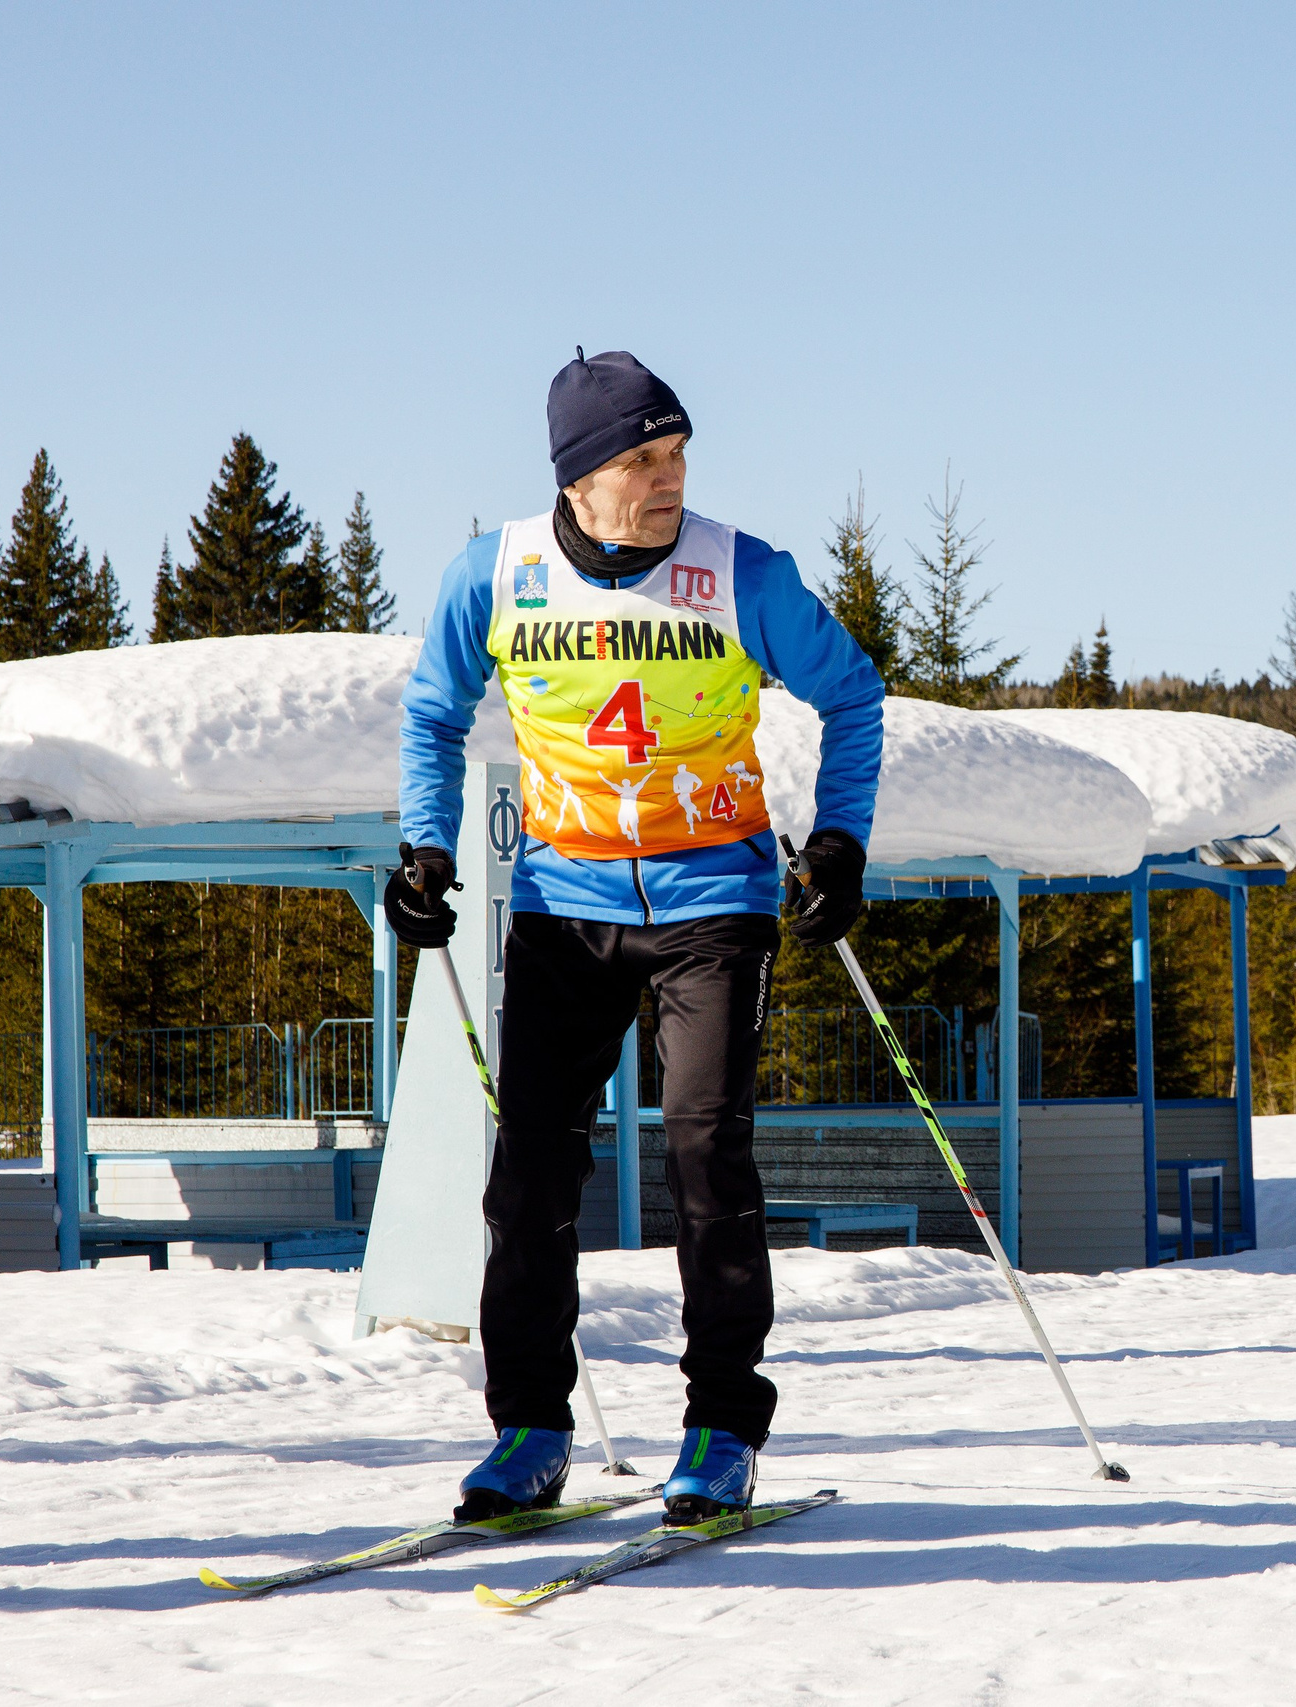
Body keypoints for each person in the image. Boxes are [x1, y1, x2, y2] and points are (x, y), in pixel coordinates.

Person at [389, 349, 885, 1524]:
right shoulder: (495, 575)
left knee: (706, 1160)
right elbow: (431, 713)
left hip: (716, 903)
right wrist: (424, 849)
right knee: (528, 1181)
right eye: (640, 460)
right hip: (568, 910)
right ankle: (528, 1429)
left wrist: (840, 843)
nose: (668, 480)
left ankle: (720, 1426)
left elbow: (852, 695)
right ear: (577, 477)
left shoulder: (742, 574)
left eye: (677, 456)